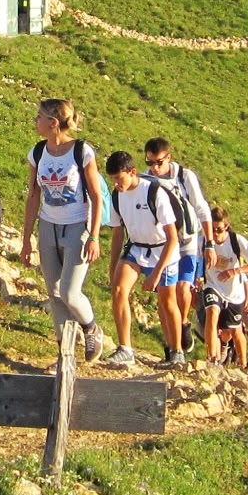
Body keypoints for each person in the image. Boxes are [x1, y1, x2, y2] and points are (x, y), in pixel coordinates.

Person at [18, 98, 106, 362]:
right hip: (48, 224)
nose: (35, 120)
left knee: (69, 291)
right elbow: (33, 195)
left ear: (53, 123)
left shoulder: (81, 151)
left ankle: (91, 328)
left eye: (39, 116)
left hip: (78, 225)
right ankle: (64, 352)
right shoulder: (37, 152)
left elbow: (96, 195)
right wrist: (26, 239)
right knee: (54, 293)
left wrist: (93, 235)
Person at [101, 150, 182, 367]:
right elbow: (117, 234)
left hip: (163, 250)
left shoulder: (154, 193)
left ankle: (177, 351)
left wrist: (156, 273)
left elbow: (172, 238)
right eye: (113, 179)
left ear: (132, 172)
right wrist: (113, 266)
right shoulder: (117, 196)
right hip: (137, 248)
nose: (117, 184)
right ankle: (125, 348)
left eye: (120, 178)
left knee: (167, 301)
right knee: (119, 290)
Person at [143, 138, 211, 364]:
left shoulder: (184, 176)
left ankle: (183, 324)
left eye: (159, 162)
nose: (154, 167)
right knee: (165, 296)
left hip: (188, 239)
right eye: (150, 162)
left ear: (168, 158)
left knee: (183, 288)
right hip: (163, 243)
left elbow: (201, 207)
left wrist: (209, 242)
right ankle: (171, 345)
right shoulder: (147, 179)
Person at [198, 204, 248, 368]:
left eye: (219, 230)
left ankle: (243, 365)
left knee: (235, 330)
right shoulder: (203, 241)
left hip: (234, 292)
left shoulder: (236, 241)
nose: (215, 233)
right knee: (212, 312)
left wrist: (236, 271)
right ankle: (212, 357)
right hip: (212, 285)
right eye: (212, 229)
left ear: (226, 227)